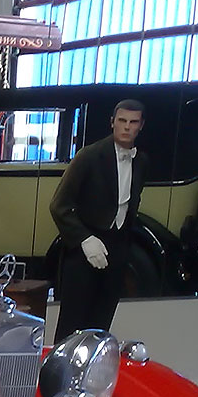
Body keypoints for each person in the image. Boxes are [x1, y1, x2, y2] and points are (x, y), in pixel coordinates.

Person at [48, 98, 148, 343]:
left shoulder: (142, 161)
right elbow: (58, 205)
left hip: (118, 248)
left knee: (102, 323)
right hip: (84, 249)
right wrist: (84, 239)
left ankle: (92, 374)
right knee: (72, 324)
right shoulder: (89, 156)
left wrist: (124, 247)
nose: (127, 127)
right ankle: (60, 376)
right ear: (112, 122)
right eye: (122, 121)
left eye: (133, 122)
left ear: (141, 126)